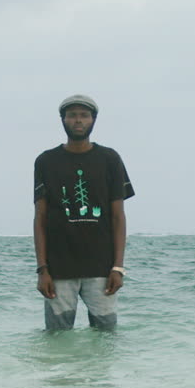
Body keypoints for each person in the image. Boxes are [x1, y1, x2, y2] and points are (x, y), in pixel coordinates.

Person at [33, 94, 135, 330]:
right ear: (63, 120)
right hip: (59, 270)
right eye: (72, 116)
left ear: (93, 120)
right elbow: (40, 218)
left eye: (84, 115)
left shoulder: (110, 159)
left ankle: (98, 370)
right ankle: (62, 370)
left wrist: (118, 268)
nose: (78, 121)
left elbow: (118, 217)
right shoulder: (46, 161)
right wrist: (42, 270)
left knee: (106, 338)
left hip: (102, 269)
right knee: (57, 339)